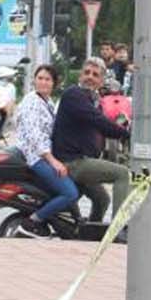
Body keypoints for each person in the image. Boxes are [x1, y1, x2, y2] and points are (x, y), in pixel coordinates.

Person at [52, 57, 132, 222]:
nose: (90, 77)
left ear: (101, 81)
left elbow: (102, 125)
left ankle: (89, 233)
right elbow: (97, 120)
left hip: (82, 160)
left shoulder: (93, 100)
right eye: (87, 72)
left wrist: (122, 130)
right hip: (73, 162)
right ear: (80, 75)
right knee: (123, 174)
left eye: (95, 75)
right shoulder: (74, 94)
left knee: (102, 199)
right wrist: (126, 134)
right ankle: (120, 227)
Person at [10, 64, 79, 237]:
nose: (43, 82)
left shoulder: (47, 102)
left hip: (45, 155)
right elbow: (35, 136)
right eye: (40, 78)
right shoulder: (32, 101)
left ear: (54, 83)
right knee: (70, 193)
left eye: (47, 79)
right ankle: (32, 221)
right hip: (36, 158)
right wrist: (53, 161)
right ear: (34, 80)